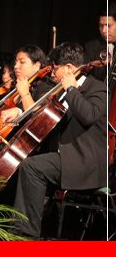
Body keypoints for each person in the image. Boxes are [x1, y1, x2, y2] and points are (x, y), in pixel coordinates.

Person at [12, 42, 107, 238]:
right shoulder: (61, 91)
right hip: (64, 158)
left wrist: (72, 90)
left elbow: (89, 115)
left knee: (32, 167)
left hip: (85, 162)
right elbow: (44, 120)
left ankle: (25, 236)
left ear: (70, 69)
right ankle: (13, 229)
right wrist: (21, 111)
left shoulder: (97, 88)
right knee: (20, 164)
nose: (52, 74)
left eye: (55, 69)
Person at [85, 2, 115, 82]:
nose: (104, 31)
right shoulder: (91, 47)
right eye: (101, 26)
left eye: (108, 26)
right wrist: (88, 67)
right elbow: (83, 76)